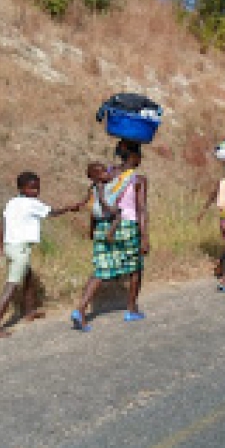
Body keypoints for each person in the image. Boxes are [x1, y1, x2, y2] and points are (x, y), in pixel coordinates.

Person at [0, 172, 84, 338]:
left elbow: (1, 223)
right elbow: (52, 213)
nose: (35, 191)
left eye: (37, 187)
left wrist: (0, 245)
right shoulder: (32, 203)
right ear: (21, 188)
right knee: (11, 286)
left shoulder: (12, 202)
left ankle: (29, 311)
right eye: (31, 188)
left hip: (11, 246)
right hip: (21, 250)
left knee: (29, 277)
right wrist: (70, 208)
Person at [71, 139, 150, 332]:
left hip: (102, 227)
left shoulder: (105, 174)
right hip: (127, 227)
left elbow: (95, 203)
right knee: (135, 269)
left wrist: (92, 228)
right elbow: (141, 210)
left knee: (100, 269)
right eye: (139, 156)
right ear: (134, 156)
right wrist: (145, 237)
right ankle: (131, 309)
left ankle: (81, 309)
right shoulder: (138, 179)